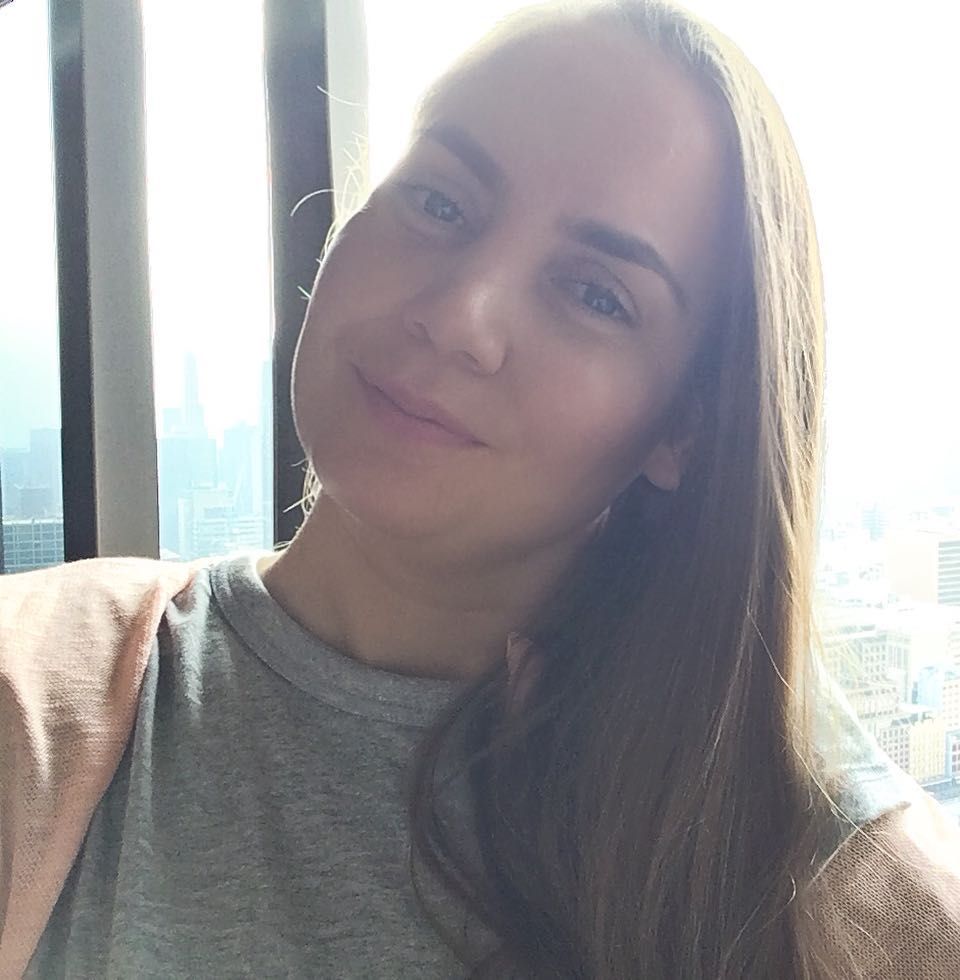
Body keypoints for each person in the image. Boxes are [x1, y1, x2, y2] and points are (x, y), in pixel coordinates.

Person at [2, 0, 959, 977]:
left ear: (684, 427)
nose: (460, 314)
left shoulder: (815, 883)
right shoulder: (47, 690)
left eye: (595, 293)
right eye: (439, 202)